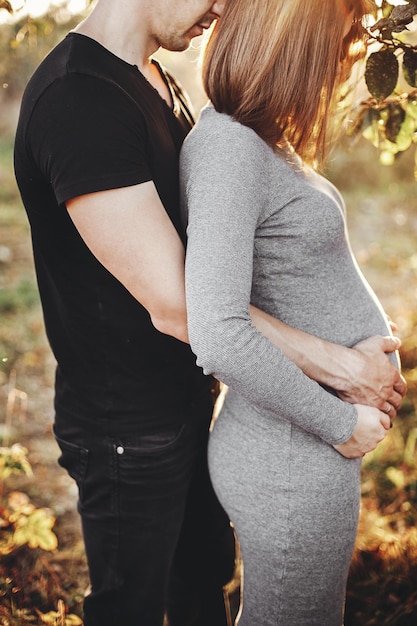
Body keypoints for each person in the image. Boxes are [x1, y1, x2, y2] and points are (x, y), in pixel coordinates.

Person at [13, 0, 405, 624]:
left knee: (200, 592)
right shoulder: (79, 99)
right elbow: (181, 306)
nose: (224, 8)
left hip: (190, 400)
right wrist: (338, 368)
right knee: (133, 610)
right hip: (129, 427)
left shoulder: (153, 75)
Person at [179, 0, 406, 624]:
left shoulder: (259, 142)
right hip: (291, 453)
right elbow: (219, 332)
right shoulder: (229, 147)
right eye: (340, 42)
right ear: (294, 46)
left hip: (298, 447)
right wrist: (339, 423)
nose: (349, 57)